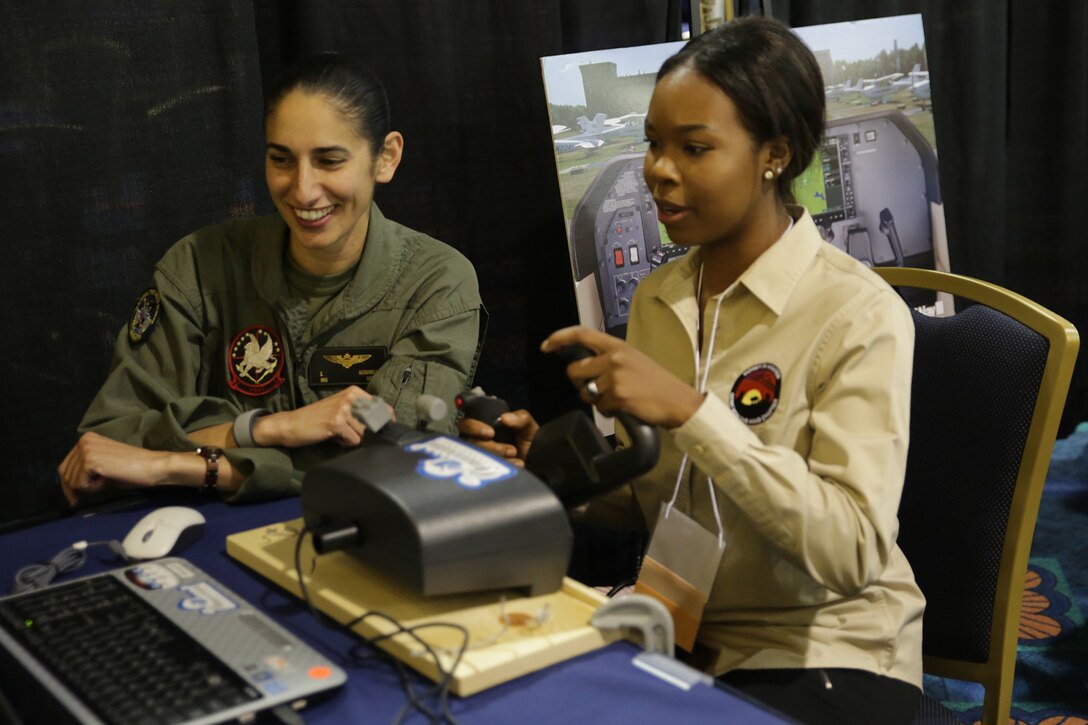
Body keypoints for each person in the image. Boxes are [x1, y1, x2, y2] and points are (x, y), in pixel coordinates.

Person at [460, 17, 923, 725]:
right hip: (684, 629)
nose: (658, 170)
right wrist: (554, 470)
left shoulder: (859, 313)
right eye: (652, 143)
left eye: (694, 148)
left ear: (776, 154)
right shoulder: (660, 298)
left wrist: (693, 411)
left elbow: (853, 549)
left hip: (825, 648)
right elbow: (661, 490)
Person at [60, 52, 483, 506]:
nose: (302, 190)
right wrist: (268, 427)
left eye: (329, 161)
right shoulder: (198, 266)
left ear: (386, 158)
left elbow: (399, 465)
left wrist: (188, 465)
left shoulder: (436, 282)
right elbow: (109, 444)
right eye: (281, 159)